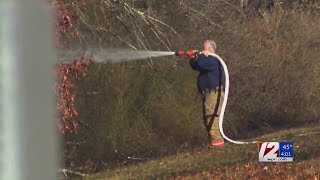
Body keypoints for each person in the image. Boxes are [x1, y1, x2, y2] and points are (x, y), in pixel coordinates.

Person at [189, 40, 225, 147]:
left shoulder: (213, 60)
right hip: (208, 94)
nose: (202, 50)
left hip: (214, 93)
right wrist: (192, 58)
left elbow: (201, 63)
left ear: (210, 49)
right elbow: (196, 66)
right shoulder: (206, 61)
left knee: (212, 117)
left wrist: (199, 56)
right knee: (207, 118)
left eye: (204, 48)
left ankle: (217, 143)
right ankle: (215, 143)